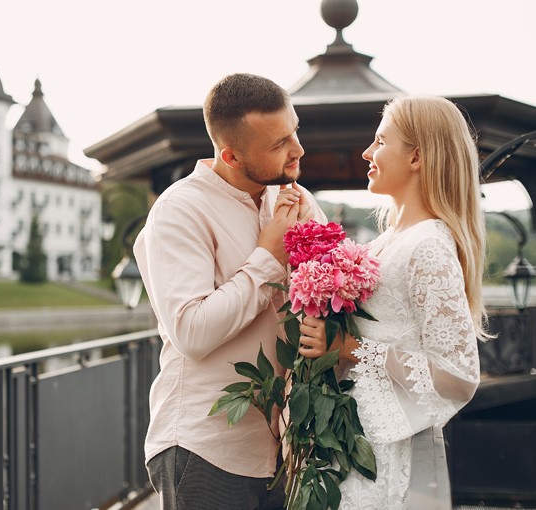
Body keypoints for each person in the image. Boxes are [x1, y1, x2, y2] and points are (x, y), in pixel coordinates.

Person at [134, 73, 326, 509]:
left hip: (287, 448)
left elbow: (330, 299)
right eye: (279, 143)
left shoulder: (298, 202)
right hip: (205, 449)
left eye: (294, 131)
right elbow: (192, 332)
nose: (297, 149)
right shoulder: (179, 210)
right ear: (231, 155)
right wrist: (268, 257)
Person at [298, 95, 485, 509]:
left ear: (416, 156)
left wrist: (349, 349)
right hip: (350, 440)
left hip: (387, 455)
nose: (367, 152)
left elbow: (459, 375)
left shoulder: (429, 246)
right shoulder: (385, 243)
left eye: (381, 141)